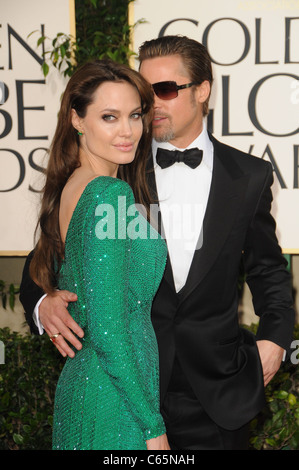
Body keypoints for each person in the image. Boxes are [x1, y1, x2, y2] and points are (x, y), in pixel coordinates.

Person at [20, 36, 295, 450]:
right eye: (145, 93)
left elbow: (268, 268)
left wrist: (275, 340)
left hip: (218, 391)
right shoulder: (122, 165)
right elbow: (51, 252)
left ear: (202, 91)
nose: (151, 106)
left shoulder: (249, 175)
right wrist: (43, 301)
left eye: (165, 90)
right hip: (132, 388)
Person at [23, 59, 170, 450]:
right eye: (109, 117)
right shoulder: (108, 193)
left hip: (92, 385)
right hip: (118, 398)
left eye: (135, 115)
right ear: (77, 119)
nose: (127, 131)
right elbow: (108, 327)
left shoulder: (73, 185)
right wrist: (153, 427)